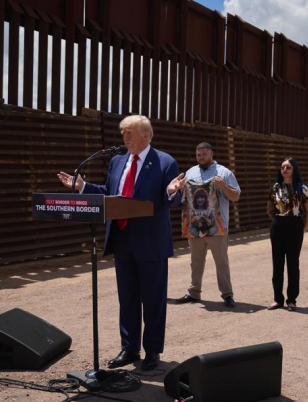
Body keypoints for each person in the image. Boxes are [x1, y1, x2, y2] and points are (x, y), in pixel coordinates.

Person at [57, 115, 185, 370]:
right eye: (123, 133)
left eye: (129, 133)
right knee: (127, 298)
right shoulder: (117, 162)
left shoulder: (164, 162)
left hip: (151, 243)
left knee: (153, 300)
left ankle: (152, 350)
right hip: (123, 239)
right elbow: (110, 193)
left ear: (145, 135)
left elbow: (169, 199)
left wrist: (172, 192)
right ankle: (129, 349)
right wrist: (83, 187)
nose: (124, 138)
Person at [175, 142, 241, 307]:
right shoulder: (190, 173)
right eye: (198, 155)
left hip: (217, 227)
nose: (201, 157)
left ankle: (227, 295)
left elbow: (236, 197)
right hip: (195, 225)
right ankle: (194, 293)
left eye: (204, 154)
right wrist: (180, 188)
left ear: (211, 154)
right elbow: (183, 198)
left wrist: (223, 186)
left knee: (221, 262)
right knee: (196, 261)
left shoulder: (224, 173)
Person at [266, 158, 308, 312]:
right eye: (282, 167)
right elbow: (269, 209)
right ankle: (277, 299)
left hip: (295, 226)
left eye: (288, 167)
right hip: (278, 225)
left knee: (293, 264)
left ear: (294, 169)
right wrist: (277, 222)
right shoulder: (275, 187)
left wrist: (302, 229)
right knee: (277, 264)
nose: (285, 169)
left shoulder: (302, 188)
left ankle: (291, 300)